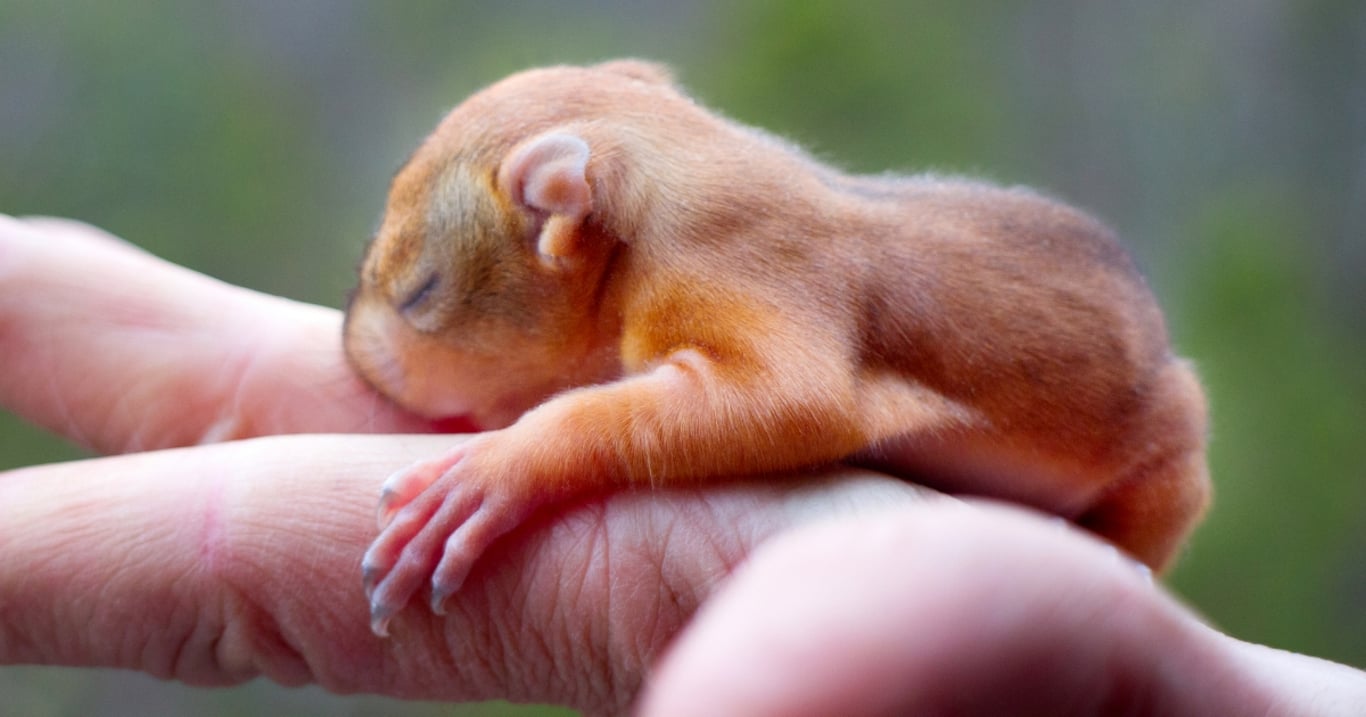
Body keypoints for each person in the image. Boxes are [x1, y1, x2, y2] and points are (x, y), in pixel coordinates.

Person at [0, 214, 1361, 716]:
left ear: (565, 215)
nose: (378, 358)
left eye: (414, 298)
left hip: (1102, 449)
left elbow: (787, 391)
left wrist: (539, 450)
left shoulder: (727, 270)